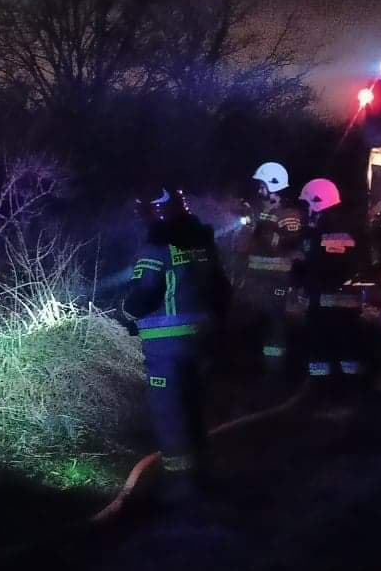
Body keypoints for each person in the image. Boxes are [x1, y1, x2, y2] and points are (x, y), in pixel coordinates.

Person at [122, 187, 230, 503]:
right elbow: (222, 291)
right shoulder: (203, 246)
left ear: (155, 214)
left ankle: (182, 488)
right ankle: (203, 475)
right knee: (194, 408)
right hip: (202, 342)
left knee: (171, 414)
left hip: (166, 349)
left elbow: (143, 295)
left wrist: (125, 313)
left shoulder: (156, 249)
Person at [293, 177, 365, 383]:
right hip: (342, 301)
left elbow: (327, 265)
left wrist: (301, 269)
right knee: (345, 345)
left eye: (307, 204)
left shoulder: (328, 231)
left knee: (322, 346)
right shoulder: (339, 227)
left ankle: (325, 388)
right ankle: (346, 386)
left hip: (326, 299)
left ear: (318, 202)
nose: (305, 209)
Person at [237, 161, 305, 375]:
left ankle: (274, 372)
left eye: (262, 185)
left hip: (277, 281)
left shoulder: (289, 214)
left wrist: (260, 229)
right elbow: (246, 248)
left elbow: (289, 244)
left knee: (275, 325)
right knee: (254, 322)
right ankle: (253, 367)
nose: (259, 190)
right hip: (256, 280)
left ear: (274, 185)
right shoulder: (262, 212)